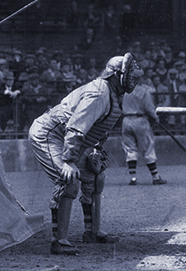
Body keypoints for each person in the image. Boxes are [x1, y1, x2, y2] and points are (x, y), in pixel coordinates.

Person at [29, 53, 141, 255]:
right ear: (115, 75)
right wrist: (69, 161)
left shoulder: (114, 93)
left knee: (96, 176)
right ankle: (59, 240)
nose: (134, 77)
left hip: (71, 137)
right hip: (50, 133)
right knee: (69, 179)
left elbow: (96, 127)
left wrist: (96, 149)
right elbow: (75, 127)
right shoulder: (99, 93)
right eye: (129, 73)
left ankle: (92, 232)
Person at [121, 71, 167, 186]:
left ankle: (133, 178)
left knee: (130, 149)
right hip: (140, 120)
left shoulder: (124, 91)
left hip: (126, 120)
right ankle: (156, 177)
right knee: (148, 147)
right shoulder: (143, 91)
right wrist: (156, 118)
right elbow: (149, 108)